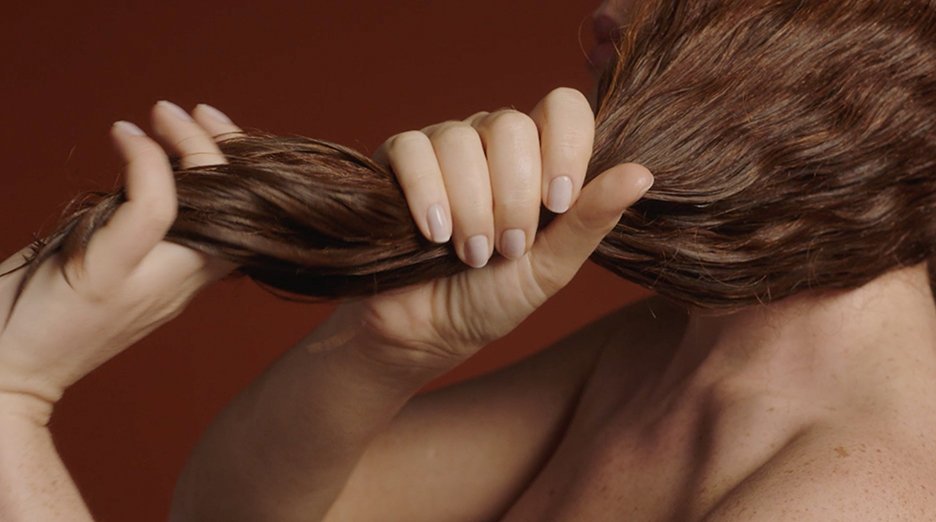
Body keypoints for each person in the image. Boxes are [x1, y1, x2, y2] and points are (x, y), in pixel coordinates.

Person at [2, 2, 935, 522]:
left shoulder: (853, 501)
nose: (608, 6)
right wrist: (387, 339)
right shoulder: (669, 353)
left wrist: (10, 399)